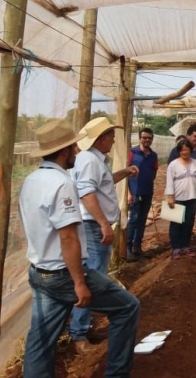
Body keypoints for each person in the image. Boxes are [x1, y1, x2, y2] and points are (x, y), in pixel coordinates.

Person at [19, 120, 140, 378]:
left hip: (40, 271)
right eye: (73, 147)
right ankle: (117, 373)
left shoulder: (31, 180)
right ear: (64, 151)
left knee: (40, 340)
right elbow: (69, 238)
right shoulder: (61, 183)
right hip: (63, 273)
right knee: (127, 307)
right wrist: (79, 283)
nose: (77, 150)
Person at [70, 117, 139, 351]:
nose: (113, 139)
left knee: (96, 277)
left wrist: (125, 172)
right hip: (92, 226)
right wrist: (103, 224)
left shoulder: (96, 159)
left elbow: (104, 183)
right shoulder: (89, 160)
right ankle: (79, 334)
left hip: (94, 225)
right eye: (110, 135)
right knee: (92, 279)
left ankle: (85, 328)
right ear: (100, 139)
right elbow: (86, 193)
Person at [165, 138, 196, 259]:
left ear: (190, 150)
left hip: (192, 197)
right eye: (182, 150)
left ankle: (185, 246)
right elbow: (169, 181)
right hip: (177, 198)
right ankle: (175, 248)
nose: (184, 152)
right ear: (179, 151)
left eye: (187, 150)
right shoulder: (173, 165)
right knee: (176, 223)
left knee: (188, 223)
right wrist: (170, 197)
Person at [126, 127, 159, 262]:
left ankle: (137, 247)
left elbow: (154, 172)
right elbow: (125, 174)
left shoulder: (153, 155)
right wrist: (128, 193)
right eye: (144, 137)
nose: (147, 140)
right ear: (140, 138)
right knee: (133, 219)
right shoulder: (132, 153)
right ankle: (127, 248)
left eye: (149, 138)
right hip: (134, 193)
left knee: (142, 220)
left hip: (147, 192)